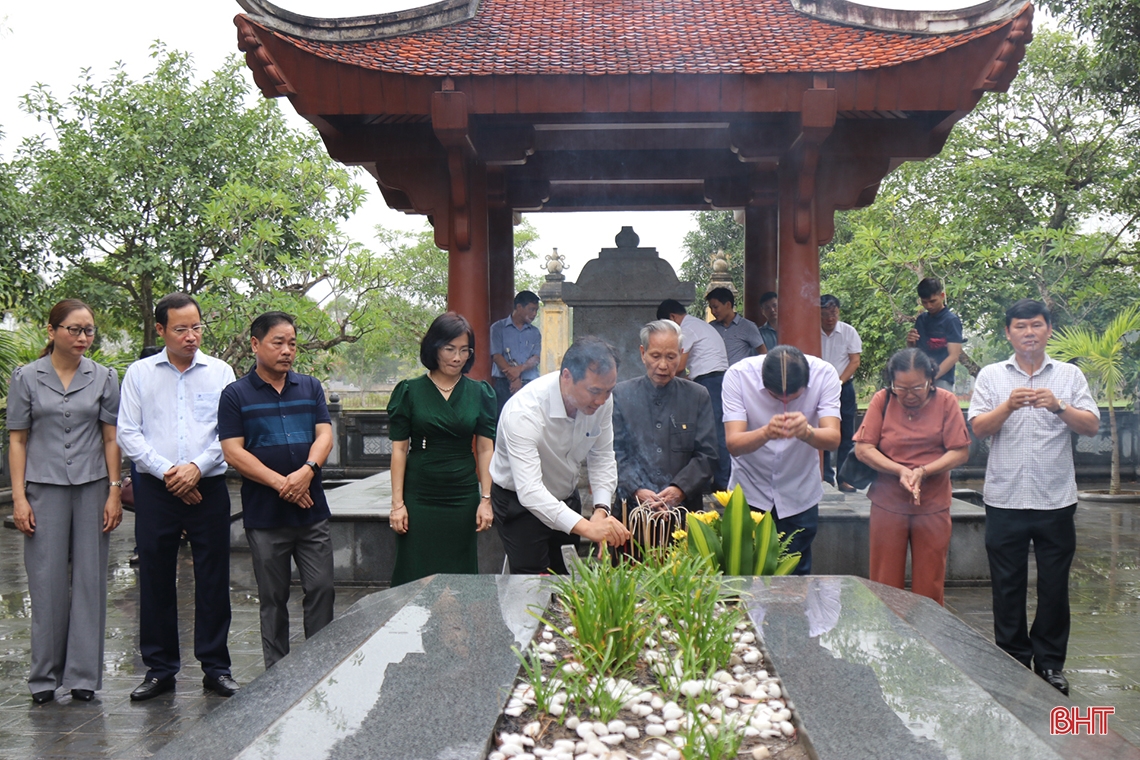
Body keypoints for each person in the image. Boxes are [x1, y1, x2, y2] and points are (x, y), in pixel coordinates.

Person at [968, 299, 1100, 696]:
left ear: (1049, 330)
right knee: (1007, 585)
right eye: (1021, 326)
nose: (1029, 332)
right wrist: (1007, 406)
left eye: (1036, 325)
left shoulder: (1069, 375)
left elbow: (1091, 426)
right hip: (1005, 498)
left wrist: (1059, 406)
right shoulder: (992, 376)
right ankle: (1010, 659)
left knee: (1054, 586)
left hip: (1055, 500)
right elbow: (977, 428)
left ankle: (1050, 664)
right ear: (1008, 333)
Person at [117, 293, 240, 701]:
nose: (191, 337)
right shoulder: (139, 373)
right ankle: (160, 668)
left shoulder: (221, 372)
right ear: (161, 330)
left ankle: (216, 667)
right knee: (154, 576)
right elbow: (128, 433)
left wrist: (196, 469)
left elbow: (229, 433)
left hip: (208, 485)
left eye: (197, 327)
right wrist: (169, 472)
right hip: (157, 487)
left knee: (213, 577)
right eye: (181, 329)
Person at [6, 300, 122, 704]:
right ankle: (44, 678)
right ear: (51, 330)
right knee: (45, 581)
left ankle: (84, 676)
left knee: (91, 581)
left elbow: (111, 438)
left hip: (92, 487)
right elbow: (17, 439)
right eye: (74, 329)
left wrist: (113, 490)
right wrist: (19, 498)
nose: (83, 338)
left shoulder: (105, 377)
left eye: (88, 330)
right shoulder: (26, 378)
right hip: (43, 487)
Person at [218, 312, 335, 669]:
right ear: (255, 345)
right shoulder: (235, 395)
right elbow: (233, 450)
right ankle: (278, 674)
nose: (287, 351)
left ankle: (321, 667)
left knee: (322, 588)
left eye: (293, 344)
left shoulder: (310, 387)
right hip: (266, 515)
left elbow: (324, 434)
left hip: (311, 511)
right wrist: (282, 483)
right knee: (273, 597)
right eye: (278, 343)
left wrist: (307, 471)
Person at [490, 336, 632, 574]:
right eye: (595, 391)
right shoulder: (523, 412)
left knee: (566, 577)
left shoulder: (602, 402)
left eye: (609, 391)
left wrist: (600, 510)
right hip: (520, 504)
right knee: (532, 583)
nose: (601, 400)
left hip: (566, 496)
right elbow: (531, 492)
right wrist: (588, 529)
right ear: (566, 376)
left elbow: (603, 456)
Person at [853, 348, 971, 605]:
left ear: (930, 380)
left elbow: (960, 452)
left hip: (933, 504)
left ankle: (928, 638)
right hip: (888, 503)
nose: (908, 396)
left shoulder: (946, 401)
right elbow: (863, 449)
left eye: (917, 388)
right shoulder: (882, 400)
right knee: (884, 581)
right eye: (901, 388)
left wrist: (924, 471)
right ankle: (887, 636)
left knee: (930, 583)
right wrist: (900, 470)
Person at [387, 312, 497, 585]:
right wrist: (397, 504)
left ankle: (457, 628)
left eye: (464, 350)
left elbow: (485, 449)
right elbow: (399, 450)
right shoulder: (409, 391)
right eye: (449, 349)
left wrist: (486, 499)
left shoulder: (480, 393)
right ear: (433, 347)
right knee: (415, 570)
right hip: (420, 493)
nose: (457, 357)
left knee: (459, 575)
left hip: (462, 494)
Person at [722, 346, 842, 575]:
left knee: (795, 579)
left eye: (793, 397)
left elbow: (833, 438)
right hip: (750, 490)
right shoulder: (738, 375)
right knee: (746, 577)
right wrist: (766, 432)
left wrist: (807, 433)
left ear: (806, 383)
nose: (784, 402)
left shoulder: (824, 374)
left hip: (798, 492)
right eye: (776, 397)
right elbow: (733, 444)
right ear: (763, 381)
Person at [612, 319, 718, 514]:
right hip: (633, 513)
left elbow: (707, 455)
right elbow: (615, 453)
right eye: (655, 356)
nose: (663, 365)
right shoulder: (621, 395)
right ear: (643, 354)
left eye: (671, 357)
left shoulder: (697, 396)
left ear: (681, 354)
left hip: (683, 511)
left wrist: (680, 489)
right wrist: (636, 489)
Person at [657, 299, 731, 490]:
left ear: (672, 317)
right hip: (715, 379)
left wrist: (662, 382)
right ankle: (716, 480)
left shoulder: (687, 329)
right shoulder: (698, 325)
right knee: (712, 431)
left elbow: (679, 366)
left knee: (714, 433)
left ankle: (722, 483)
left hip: (711, 381)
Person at [819, 295, 862, 490]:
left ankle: (844, 478)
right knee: (823, 431)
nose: (830, 318)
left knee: (846, 433)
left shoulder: (848, 331)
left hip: (844, 387)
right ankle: (826, 476)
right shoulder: (811, 331)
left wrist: (839, 381)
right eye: (826, 314)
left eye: (834, 313)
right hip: (820, 387)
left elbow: (855, 361)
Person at [906, 277, 963, 391]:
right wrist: (910, 343)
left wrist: (932, 377)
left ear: (942, 296)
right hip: (919, 378)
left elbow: (954, 356)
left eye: (932, 301)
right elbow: (916, 352)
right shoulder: (921, 320)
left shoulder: (951, 321)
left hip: (942, 379)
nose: (929, 306)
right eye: (924, 302)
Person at [490, 291, 542, 416]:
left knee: (530, 421)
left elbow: (536, 358)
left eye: (536, 310)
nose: (534, 314)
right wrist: (514, 378)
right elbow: (496, 356)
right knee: (503, 419)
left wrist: (519, 370)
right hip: (504, 385)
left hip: (530, 384)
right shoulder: (498, 328)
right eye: (531, 309)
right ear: (519, 307)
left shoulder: (535, 332)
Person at [706, 287, 764, 366]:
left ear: (728, 305)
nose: (713, 311)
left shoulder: (747, 326)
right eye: (711, 308)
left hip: (738, 376)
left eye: (716, 307)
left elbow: (763, 353)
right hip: (715, 376)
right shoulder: (711, 328)